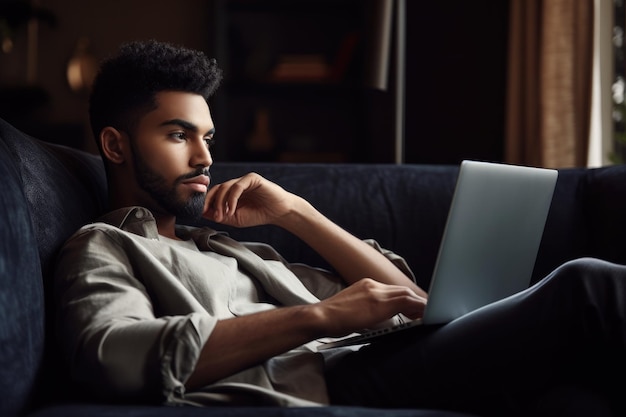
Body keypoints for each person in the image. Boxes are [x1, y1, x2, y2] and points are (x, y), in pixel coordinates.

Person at [54, 40, 626, 417]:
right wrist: (321, 316)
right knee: (584, 286)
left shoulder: (228, 248)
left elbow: (413, 303)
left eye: (208, 136)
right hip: (332, 382)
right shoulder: (105, 246)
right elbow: (111, 355)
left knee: (576, 400)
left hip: (374, 359)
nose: (205, 157)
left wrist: (294, 213)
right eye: (180, 135)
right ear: (115, 145)